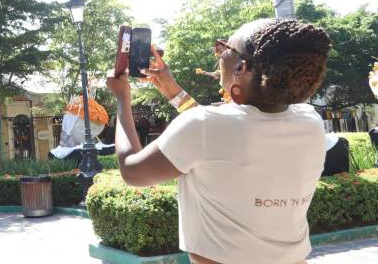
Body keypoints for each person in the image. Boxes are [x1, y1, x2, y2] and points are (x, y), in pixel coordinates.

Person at [106, 19, 330, 264]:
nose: (218, 53)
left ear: (242, 68)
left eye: (224, 48)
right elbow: (221, 135)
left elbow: (132, 171)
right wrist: (172, 91)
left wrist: (122, 99)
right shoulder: (310, 121)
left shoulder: (204, 127)